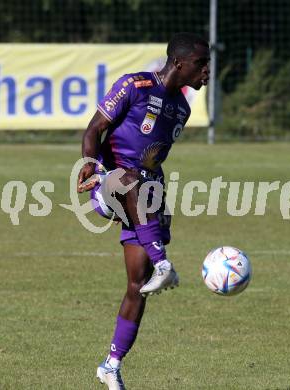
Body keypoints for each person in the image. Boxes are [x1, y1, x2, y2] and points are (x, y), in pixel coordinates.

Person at [77, 32, 210, 390]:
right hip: (109, 182)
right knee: (131, 178)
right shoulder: (133, 86)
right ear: (179, 64)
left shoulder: (181, 108)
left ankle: (110, 365)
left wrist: (160, 204)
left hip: (144, 195)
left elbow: (153, 162)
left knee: (138, 283)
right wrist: (90, 162)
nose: (207, 72)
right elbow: (95, 129)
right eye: (201, 64)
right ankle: (164, 263)